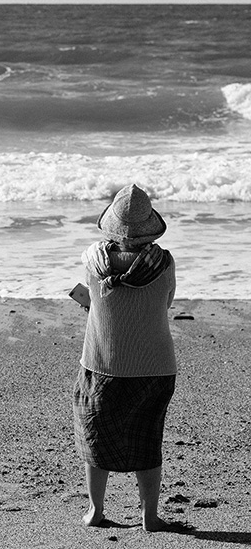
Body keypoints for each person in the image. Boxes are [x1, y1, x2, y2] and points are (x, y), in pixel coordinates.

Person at [72, 184, 177, 532]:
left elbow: (99, 303)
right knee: (148, 438)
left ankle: (95, 509)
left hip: (103, 363)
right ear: (149, 228)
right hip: (156, 366)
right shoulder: (162, 263)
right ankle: (149, 516)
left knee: (95, 435)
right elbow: (165, 304)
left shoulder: (93, 262)